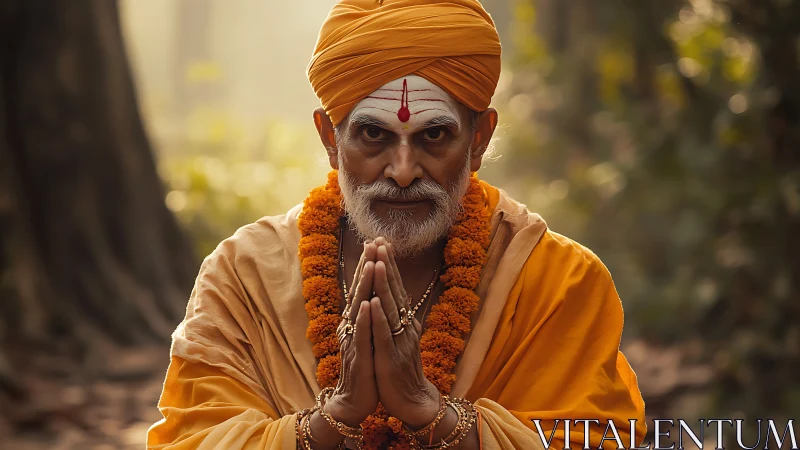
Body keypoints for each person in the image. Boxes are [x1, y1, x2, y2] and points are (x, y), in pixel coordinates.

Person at [146, 0, 646, 449]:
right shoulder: (244, 275)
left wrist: (430, 415)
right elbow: (194, 439)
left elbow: (600, 439)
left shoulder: (558, 281)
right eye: (372, 134)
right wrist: (333, 419)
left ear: (478, 139)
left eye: (433, 134)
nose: (403, 170)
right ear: (328, 137)